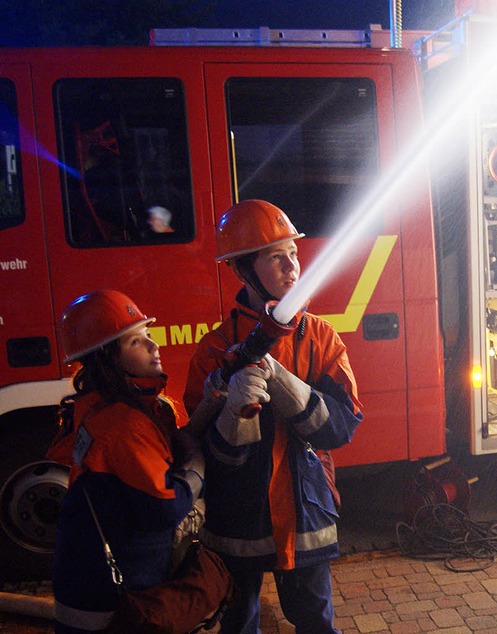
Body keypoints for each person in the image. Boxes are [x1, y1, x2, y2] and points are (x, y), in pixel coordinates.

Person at [184, 199, 363, 634]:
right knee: (239, 625)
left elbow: (343, 425)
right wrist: (226, 409)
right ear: (243, 268)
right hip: (237, 521)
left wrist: (288, 387)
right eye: (275, 257)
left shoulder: (319, 337)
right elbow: (196, 441)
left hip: (305, 516)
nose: (292, 267)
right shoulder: (214, 349)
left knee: (316, 624)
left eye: (294, 254)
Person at [48, 289, 205, 633]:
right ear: (106, 357)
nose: (154, 346)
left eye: (148, 335)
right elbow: (164, 508)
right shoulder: (123, 425)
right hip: (111, 600)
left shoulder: (98, 407)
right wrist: (195, 469)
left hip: (87, 583)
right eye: (136, 341)